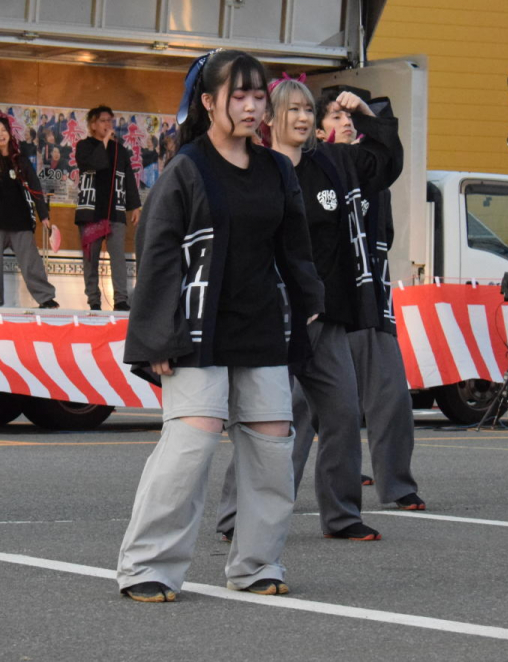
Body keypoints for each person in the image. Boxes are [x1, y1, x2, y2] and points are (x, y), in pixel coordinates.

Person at [116, 50, 325, 603]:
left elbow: (295, 246)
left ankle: (257, 564)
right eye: (240, 96)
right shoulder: (188, 167)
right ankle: (147, 565)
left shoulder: (277, 168)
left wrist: (309, 303)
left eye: (260, 96)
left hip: (261, 325)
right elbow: (157, 252)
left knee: (273, 444)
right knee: (193, 442)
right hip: (195, 325)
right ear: (208, 102)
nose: (254, 107)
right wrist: (157, 334)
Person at [214, 74, 402, 544]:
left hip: (328, 320)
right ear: (271, 119)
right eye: (292, 110)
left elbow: (386, 161)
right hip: (273, 321)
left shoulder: (334, 164)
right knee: (267, 419)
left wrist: (363, 111)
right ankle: (235, 515)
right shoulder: (254, 170)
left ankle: (341, 515)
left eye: (306, 110)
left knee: (340, 413)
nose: (301, 117)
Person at [323, 86, 427, 511]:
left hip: (370, 302)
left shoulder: (370, 170)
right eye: (335, 116)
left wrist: (369, 114)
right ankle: (245, 506)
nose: (345, 122)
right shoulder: (310, 166)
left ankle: (397, 486)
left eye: (351, 118)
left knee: (391, 398)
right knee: (294, 411)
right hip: (322, 308)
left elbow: (389, 152)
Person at [0, 114, 59, 310]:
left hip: (19, 219)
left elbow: (35, 187)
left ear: (10, 134)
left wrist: (44, 216)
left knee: (31, 262)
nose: (0, 135)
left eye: (3, 131)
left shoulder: (20, 160)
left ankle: (46, 298)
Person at [75, 105, 140, 311]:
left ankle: (121, 299)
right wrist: (103, 142)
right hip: (91, 211)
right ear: (93, 125)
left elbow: (128, 177)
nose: (108, 125)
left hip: (115, 210)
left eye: (110, 121)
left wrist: (135, 206)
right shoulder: (83, 146)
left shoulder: (120, 149)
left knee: (118, 257)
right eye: (103, 121)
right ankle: (93, 300)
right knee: (90, 259)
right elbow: (94, 163)